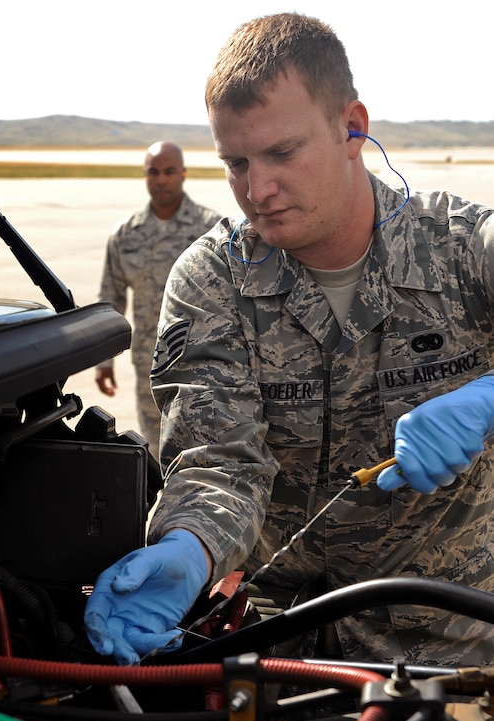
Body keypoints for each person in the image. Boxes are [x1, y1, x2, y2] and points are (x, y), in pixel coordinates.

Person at [85, 13, 494, 669]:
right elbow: (220, 463)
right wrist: (189, 547)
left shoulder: (464, 250)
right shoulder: (212, 280)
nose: (257, 190)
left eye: (282, 153)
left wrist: (490, 397)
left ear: (351, 127)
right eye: (236, 163)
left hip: (451, 656)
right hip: (276, 652)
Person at [94, 141, 220, 459]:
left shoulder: (210, 230)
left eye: (169, 171)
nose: (161, 179)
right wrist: (104, 360)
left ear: (183, 175)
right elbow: (111, 297)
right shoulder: (126, 234)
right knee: (154, 451)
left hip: (206, 364)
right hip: (151, 365)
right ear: (145, 176)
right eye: (153, 172)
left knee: (206, 452)